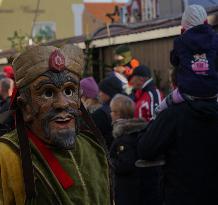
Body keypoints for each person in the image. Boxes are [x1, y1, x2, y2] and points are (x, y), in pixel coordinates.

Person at [0, 45, 112, 204]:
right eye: (48, 93)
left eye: (69, 91)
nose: (62, 104)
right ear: (26, 107)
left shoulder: (93, 148)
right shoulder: (6, 156)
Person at [156, 5, 218, 114]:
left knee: (160, 109)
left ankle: (154, 118)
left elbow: (174, 61)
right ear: (205, 21)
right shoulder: (215, 38)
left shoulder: (180, 41)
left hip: (188, 92)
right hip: (212, 91)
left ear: (184, 25)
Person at [110, 94, 163, 205]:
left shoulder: (124, 137)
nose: (110, 114)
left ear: (119, 114)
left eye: (113, 111)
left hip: (129, 191)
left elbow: (125, 164)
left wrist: (108, 162)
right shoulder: (138, 131)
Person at [92, 75, 123, 148]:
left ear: (108, 93)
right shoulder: (125, 108)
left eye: (101, 91)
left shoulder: (101, 113)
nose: (99, 94)